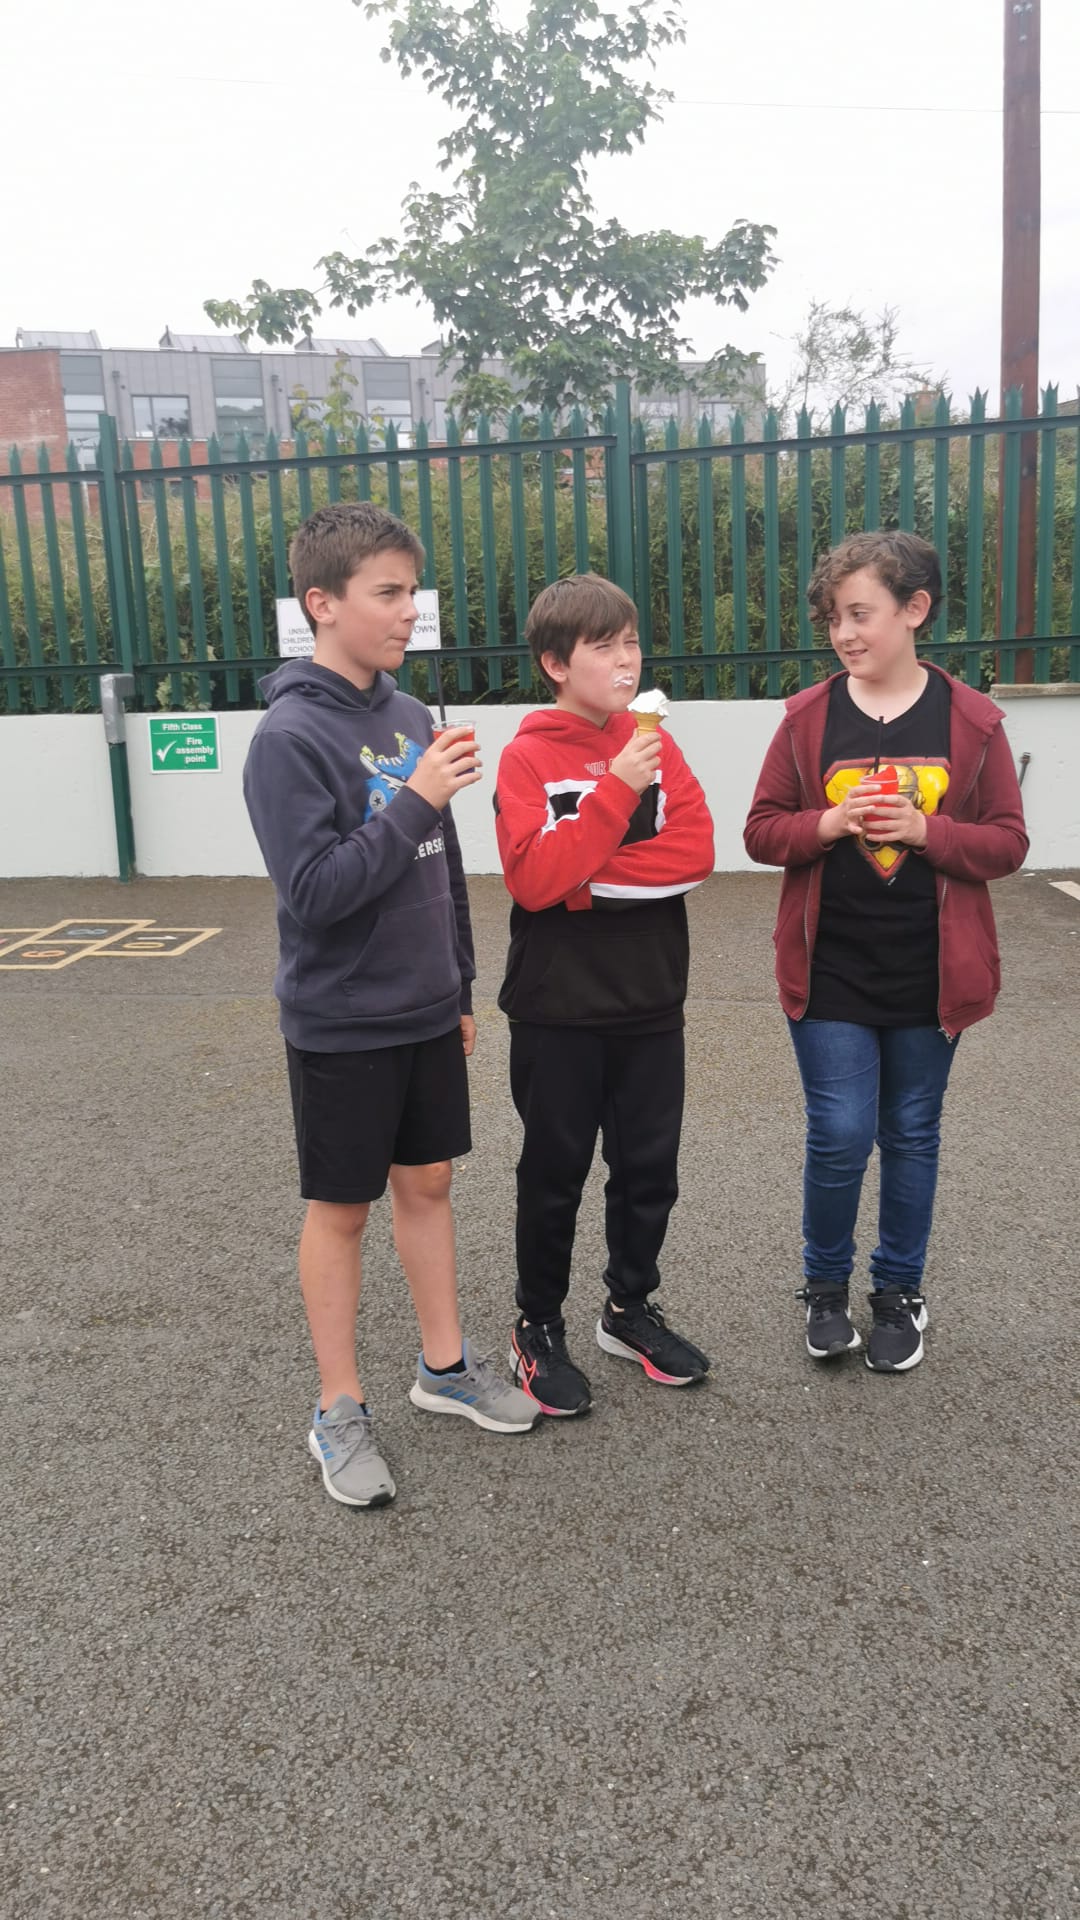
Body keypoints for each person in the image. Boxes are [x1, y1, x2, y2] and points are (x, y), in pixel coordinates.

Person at [243, 501, 537, 1509]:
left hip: (423, 1007)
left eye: (412, 590)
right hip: (341, 1019)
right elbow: (315, 893)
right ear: (322, 603)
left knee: (430, 1185)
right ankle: (338, 1408)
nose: (410, 609)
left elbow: (439, 866)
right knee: (342, 1210)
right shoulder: (288, 738)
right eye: (388, 592)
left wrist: (458, 985)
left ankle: (444, 1370)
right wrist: (417, 796)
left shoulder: (410, 716)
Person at [744, 530, 1028, 1372]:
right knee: (839, 1132)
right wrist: (829, 823)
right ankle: (824, 1288)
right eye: (834, 617)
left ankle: (899, 1289)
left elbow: (1008, 843)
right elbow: (761, 831)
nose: (844, 633)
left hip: (931, 974)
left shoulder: (973, 721)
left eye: (860, 614)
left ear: (915, 610)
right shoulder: (806, 718)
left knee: (910, 1132)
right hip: (828, 967)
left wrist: (928, 831)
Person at [494, 572, 715, 1416]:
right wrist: (617, 788)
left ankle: (628, 1309)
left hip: (651, 996)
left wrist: (582, 877)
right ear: (557, 663)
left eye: (632, 642)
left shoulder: (656, 741)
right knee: (554, 1174)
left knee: (649, 1170)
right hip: (557, 1005)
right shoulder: (527, 756)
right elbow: (532, 878)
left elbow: (695, 853)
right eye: (604, 646)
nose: (627, 660)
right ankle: (537, 1326)